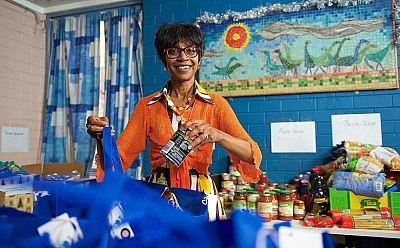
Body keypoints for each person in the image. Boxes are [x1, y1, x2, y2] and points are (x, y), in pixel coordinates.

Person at [86, 22, 262, 220]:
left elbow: (251, 154)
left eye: (191, 50)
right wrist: (102, 139)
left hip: (201, 197)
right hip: (160, 196)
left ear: (199, 58)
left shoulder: (216, 105)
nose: (183, 57)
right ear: (164, 60)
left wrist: (217, 135)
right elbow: (116, 162)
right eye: (173, 51)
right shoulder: (147, 106)